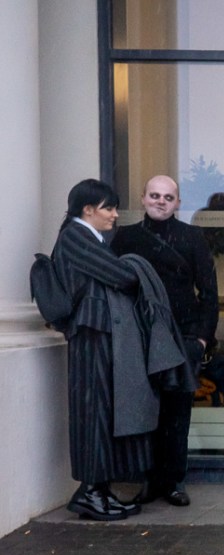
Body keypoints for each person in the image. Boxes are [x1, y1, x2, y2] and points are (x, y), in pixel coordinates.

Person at [53, 179, 193, 521]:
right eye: (109, 208)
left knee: (102, 413)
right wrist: (134, 266)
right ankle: (89, 492)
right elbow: (120, 276)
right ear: (88, 210)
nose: (115, 215)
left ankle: (98, 490)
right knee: (93, 414)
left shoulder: (89, 236)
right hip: (91, 336)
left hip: (100, 335)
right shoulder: (75, 236)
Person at [111, 175, 219, 507]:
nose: (161, 201)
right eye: (155, 195)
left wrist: (200, 340)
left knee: (177, 413)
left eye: (168, 197)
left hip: (183, 337)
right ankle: (146, 480)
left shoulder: (192, 238)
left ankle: (172, 482)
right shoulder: (124, 238)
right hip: (138, 338)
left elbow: (210, 294)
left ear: (178, 203)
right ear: (142, 199)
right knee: (143, 411)